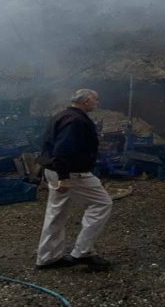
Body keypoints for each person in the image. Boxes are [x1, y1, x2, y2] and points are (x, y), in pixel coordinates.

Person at [35, 88, 113, 271]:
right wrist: (64, 178)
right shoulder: (76, 121)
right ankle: (83, 251)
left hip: (54, 170)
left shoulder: (62, 115)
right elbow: (63, 150)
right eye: (96, 100)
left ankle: (47, 257)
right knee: (102, 203)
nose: (97, 103)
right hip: (72, 173)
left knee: (56, 213)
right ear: (85, 101)